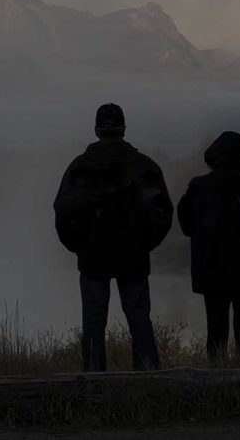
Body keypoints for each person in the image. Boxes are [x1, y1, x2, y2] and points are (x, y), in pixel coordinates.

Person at [53, 103, 173, 372]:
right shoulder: (144, 167)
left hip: (93, 259)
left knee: (93, 325)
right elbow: (162, 214)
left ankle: (95, 386)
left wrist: (79, 247)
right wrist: (144, 245)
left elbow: (63, 210)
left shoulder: (80, 167)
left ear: (97, 129)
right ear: (123, 129)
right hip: (134, 258)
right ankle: (149, 382)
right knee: (140, 321)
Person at [176, 131, 240, 362]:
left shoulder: (199, 186)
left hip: (212, 270)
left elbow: (185, 222)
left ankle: (217, 383)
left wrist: (202, 237)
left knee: (216, 334)